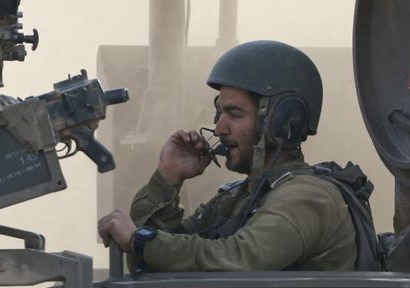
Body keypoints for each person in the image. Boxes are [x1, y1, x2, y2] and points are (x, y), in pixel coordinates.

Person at [97, 40, 372, 273]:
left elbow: (238, 259)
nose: (219, 128)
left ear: (280, 122)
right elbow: (153, 261)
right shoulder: (239, 197)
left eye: (234, 114)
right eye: (220, 114)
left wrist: (140, 240)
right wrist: (167, 179)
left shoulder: (308, 198)